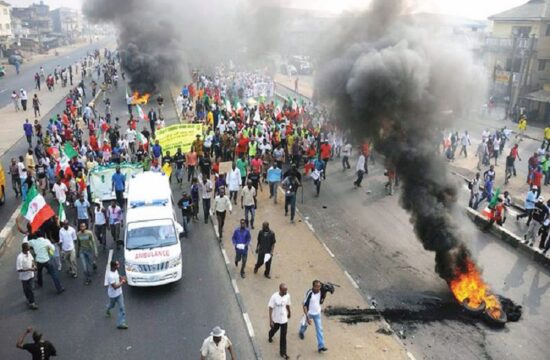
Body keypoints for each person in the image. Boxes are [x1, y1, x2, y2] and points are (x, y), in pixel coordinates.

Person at [299, 280, 328, 353]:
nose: (318, 288)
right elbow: (305, 306)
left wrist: (325, 293)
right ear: (313, 287)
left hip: (317, 313)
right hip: (309, 313)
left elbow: (321, 301)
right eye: (317, 287)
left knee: (319, 329)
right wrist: (307, 318)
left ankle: (321, 346)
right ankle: (301, 332)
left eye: (319, 287)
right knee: (304, 325)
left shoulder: (321, 291)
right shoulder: (310, 293)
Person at [268, 283, 291, 359]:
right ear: (280, 290)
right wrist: (271, 320)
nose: (286, 291)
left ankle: (283, 353)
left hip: (284, 319)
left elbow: (287, 305)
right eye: (284, 290)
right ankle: (270, 335)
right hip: (276, 318)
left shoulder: (287, 296)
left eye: (286, 290)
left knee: (283, 336)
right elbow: (270, 308)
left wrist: (289, 312)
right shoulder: (274, 297)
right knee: (274, 329)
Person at [105, 260, 128, 329]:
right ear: (113, 266)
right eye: (117, 265)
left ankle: (121, 323)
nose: (119, 266)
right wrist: (122, 282)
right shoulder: (110, 276)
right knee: (112, 305)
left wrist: (121, 277)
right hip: (113, 295)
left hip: (119, 294)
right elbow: (115, 287)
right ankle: (108, 308)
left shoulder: (115, 271)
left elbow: (118, 275)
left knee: (122, 308)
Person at [16, 243, 38, 309]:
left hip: (31, 275)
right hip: (24, 278)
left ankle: (32, 303)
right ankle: (29, 299)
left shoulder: (28, 253)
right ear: (24, 249)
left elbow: (32, 260)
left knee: (31, 289)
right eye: (28, 248)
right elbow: (19, 269)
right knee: (26, 290)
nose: (29, 250)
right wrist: (29, 269)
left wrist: (34, 265)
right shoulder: (20, 257)